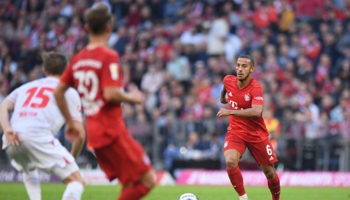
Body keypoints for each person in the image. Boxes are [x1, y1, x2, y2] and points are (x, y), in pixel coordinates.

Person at [53, 4, 155, 200]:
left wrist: (72, 121)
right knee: (147, 180)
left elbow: (58, 92)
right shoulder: (109, 56)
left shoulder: (77, 59)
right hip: (111, 130)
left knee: (130, 182)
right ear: (109, 27)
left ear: (86, 28)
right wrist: (133, 98)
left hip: (93, 131)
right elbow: (110, 94)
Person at [0, 51, 85, 200]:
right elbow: (80, 134)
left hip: (11, 139)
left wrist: (7, 129)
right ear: (66, 70)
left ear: (44, 70)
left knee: (28, 167)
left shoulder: (26, 87)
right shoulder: (68, 91)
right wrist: (72, 158)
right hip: (37, 136)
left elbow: (4, 105)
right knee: (76, 182)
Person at [216, 55, 280, 200]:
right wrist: (222, 98)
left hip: (256, 134)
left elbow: (256, 111)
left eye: (244, 66)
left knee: (270, 173)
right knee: (230, 161)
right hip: (236, 132)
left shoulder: (256, 88)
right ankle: (243, 197)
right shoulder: (228, 79)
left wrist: (230, 111)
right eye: (238, 65)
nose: (239, 69)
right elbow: (225, 86)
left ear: (252, 69)